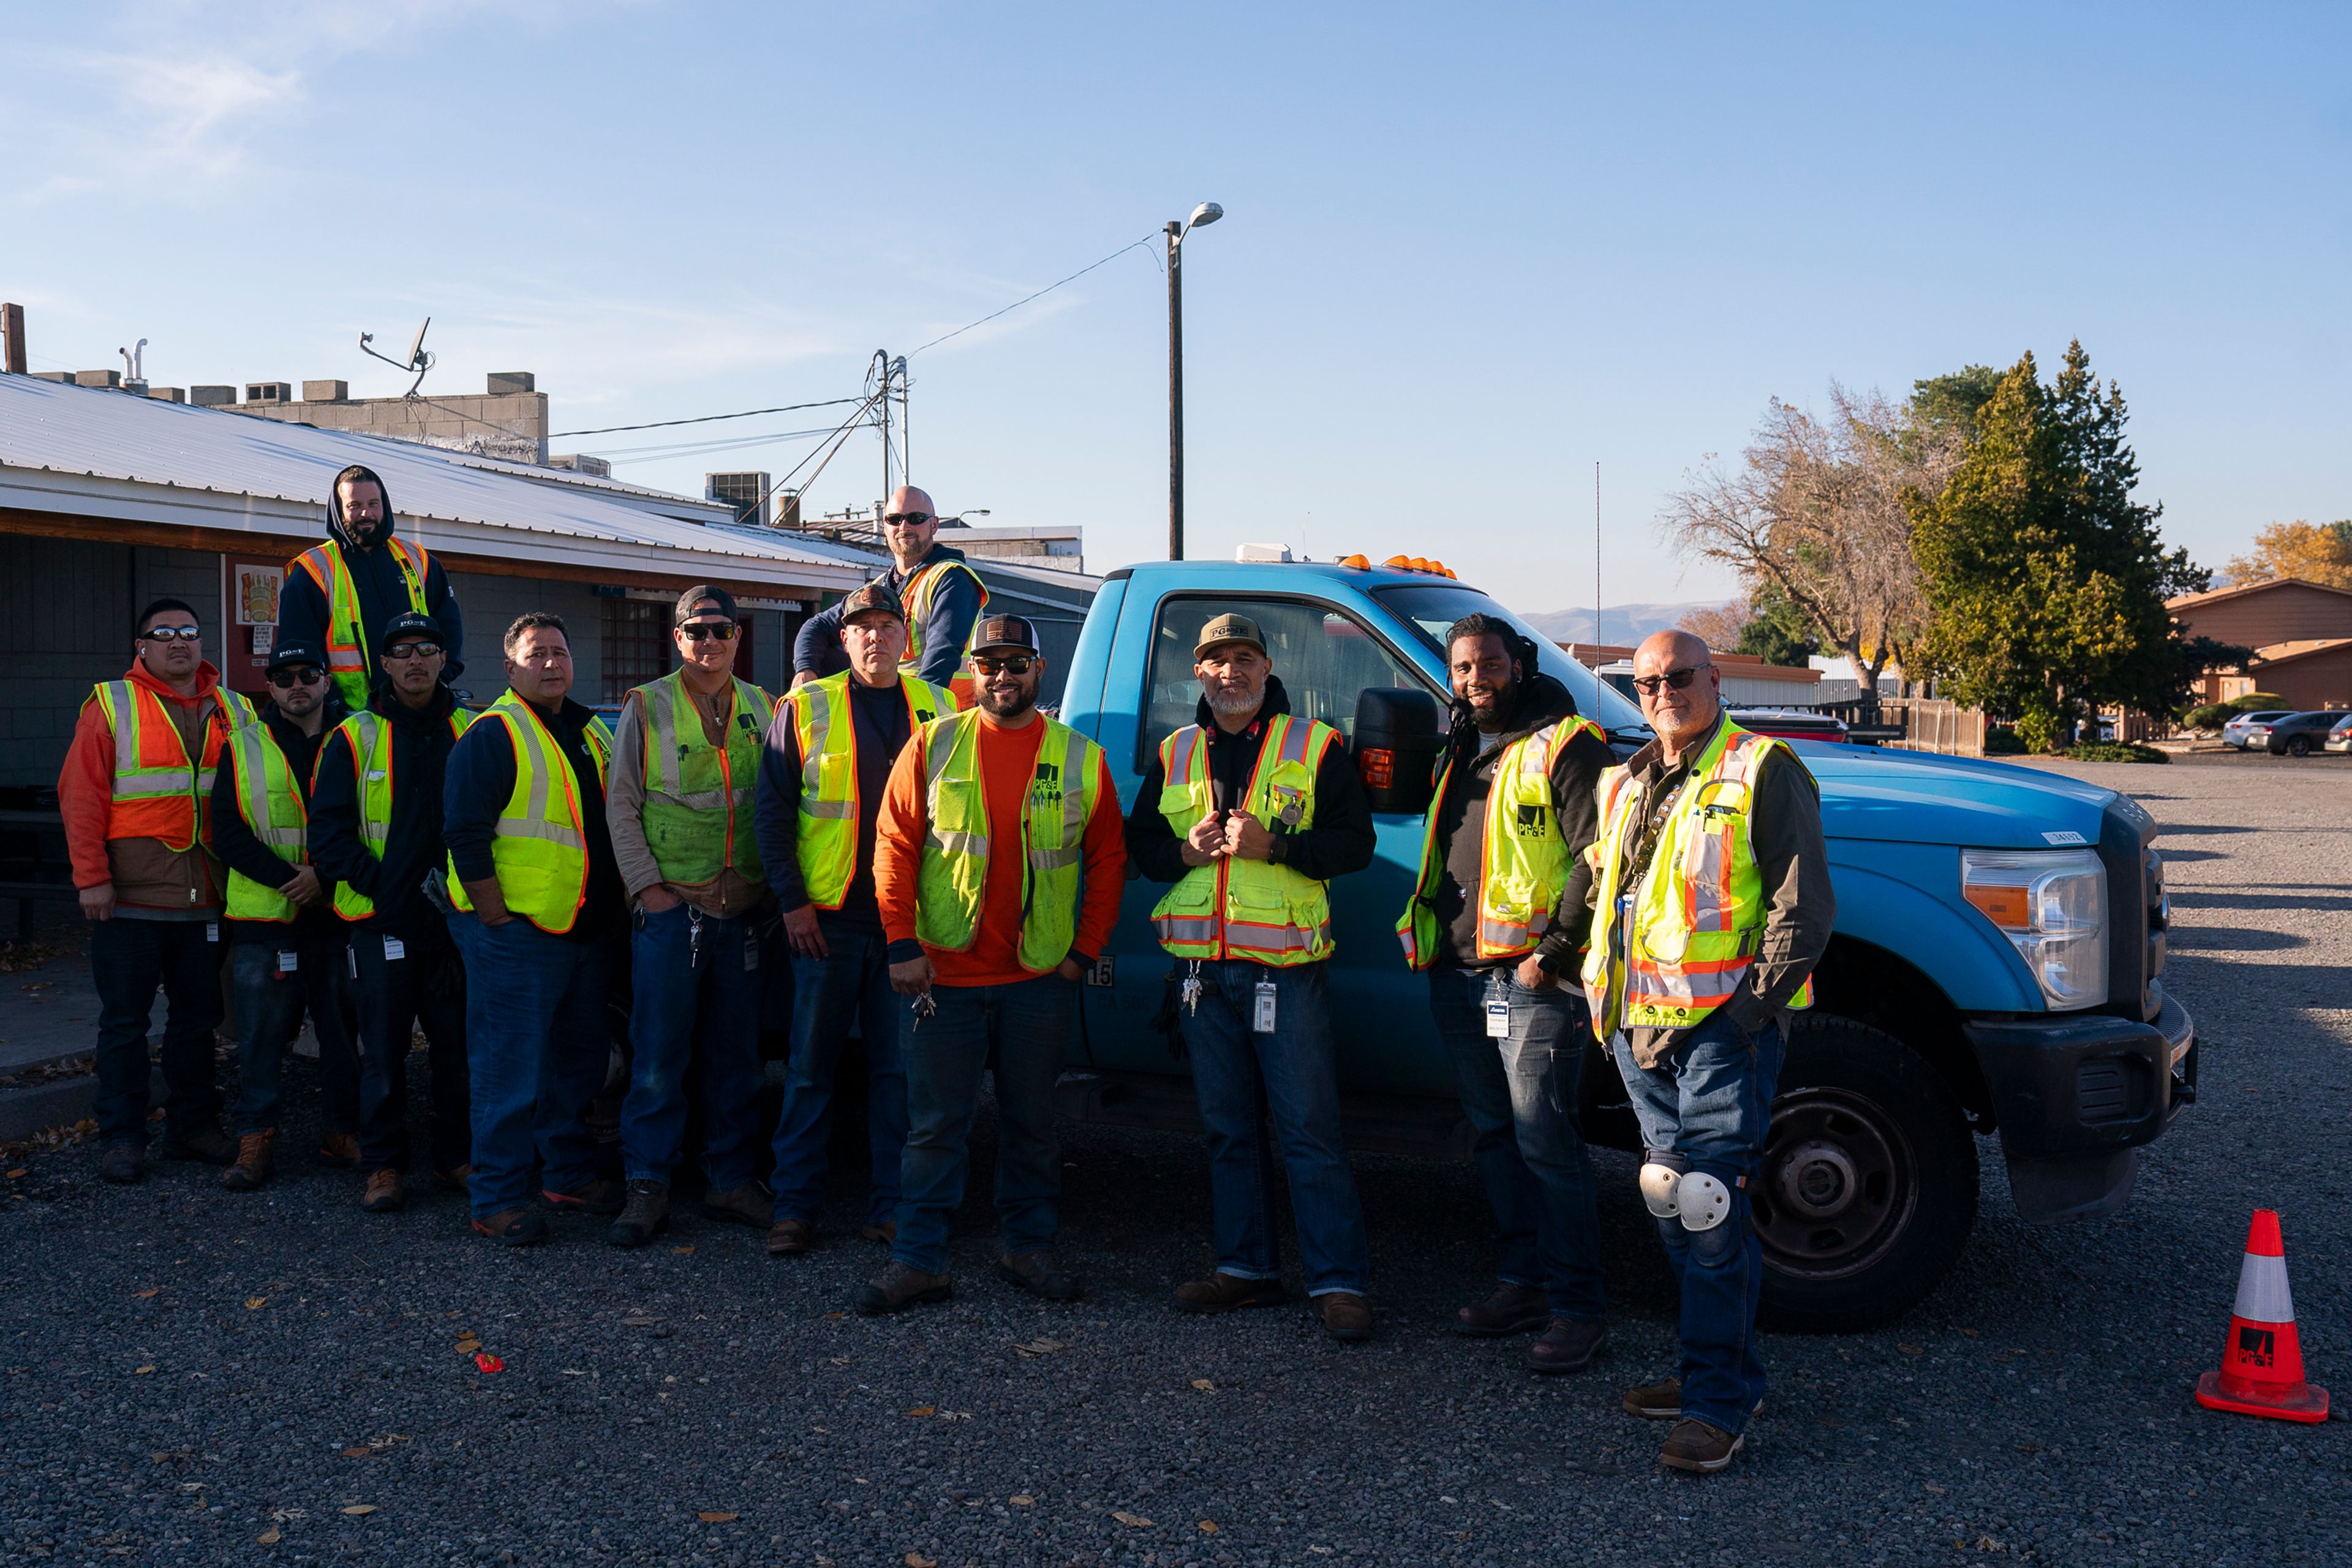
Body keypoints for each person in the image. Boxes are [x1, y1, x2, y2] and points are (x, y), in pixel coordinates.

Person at [1583, 630, 1833, 1474]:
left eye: (1679, 676)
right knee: (1669, 1198)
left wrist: (1747, 1015)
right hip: (1638, 1029)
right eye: (1647, 681)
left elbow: (1805, 909)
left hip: (1723, 1033)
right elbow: (1610, 894)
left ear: (1713, 680)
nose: (1662, 691)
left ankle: (1717, 1406)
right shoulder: (1625, 782)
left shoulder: (1763, 769)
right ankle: (1712, 1371)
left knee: (1708, 1205)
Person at [854, 615, 1123, 1315]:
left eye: (1016, 663)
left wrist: (1081, 956)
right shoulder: (935, 744)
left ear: (1040, 669)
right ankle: (920, 1260)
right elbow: (895, 845)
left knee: (1032, 1123)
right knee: (934, 1127)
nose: (1002, 675)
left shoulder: (1080, 757)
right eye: (989, 664)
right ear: (973, 672)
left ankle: (1027, 1248)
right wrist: (901, 943)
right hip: (942, 978)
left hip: (1037, 979)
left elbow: (1107, 860)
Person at [1124, 614, 1379, 1341]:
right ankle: (1246, 1271)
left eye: (1244, 658)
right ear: (1197, 673)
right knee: (1227, 1129)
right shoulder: (1174, 751)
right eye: (1215, 661)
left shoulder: (1316, 745)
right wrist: (1185, 850)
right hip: (1202, 972)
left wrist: (1280, 845)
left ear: (1268, 668)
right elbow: (1142, 845)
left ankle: (1339, 1282)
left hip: (1284, 976)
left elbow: (1355, 844)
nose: (1229, 672)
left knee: (1309, 1130)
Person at [1396, 614, 1618, 1371]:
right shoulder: (1460, 739)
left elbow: (1600, 856)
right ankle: (1522, 1282)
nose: (1474, 678)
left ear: (1516, 665)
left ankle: (1579, 1307)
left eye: (1487, 663)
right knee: (1495, 1135)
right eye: (1461, 668)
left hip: (1531, 979)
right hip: (1458, 972)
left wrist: (1554, 953)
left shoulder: (1568, 743)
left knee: (1547, 1141)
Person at [756, 582, 956, 1258]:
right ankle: (795, 1208)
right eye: (861, 627)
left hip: (907, 926)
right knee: (810, 1069)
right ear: (843, 641)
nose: (875, 637)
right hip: (828, 925)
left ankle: (892, 1208)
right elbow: (773, 813)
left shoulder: (939, 707)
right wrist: (792, 902)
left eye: (887, 626)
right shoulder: (805, 707)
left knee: (900, 1074)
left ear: (908, 639)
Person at [58, 598, 257, 1184]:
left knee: (197, 1023)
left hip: (209, 898)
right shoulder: (111, 706)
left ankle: (193, 1128)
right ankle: (122, 1138)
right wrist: (91, 878)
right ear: (140, 647)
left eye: (190, 633)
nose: (179, 642)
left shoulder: (236, 708)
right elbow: (81, 797)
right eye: (164, 633)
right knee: (125, 1024)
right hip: (129, 899)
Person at [443, 612, 626, 1245]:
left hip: (582, 932)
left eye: (560, 651)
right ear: (511, 667)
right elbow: (464, 833)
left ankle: (567, 1175)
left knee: (575, 1069)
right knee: (507, 1072)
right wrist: (492, 911)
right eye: (536, 654)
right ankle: (494, 1197)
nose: (551, 663)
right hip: (517, 935)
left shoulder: (588, 732)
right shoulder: (493, 735)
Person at [603, 586, 777, 1247]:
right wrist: (648, 889)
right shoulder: (646, 706)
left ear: (739, 636)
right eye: (696, 631)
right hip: (674, 913)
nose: (710, 642)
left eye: (722, 630)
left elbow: (777, 802)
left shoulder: (765, 706)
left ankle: (730, 1180)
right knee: (658, 1056)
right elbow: (621, 805)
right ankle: (648, 1183)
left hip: (743, 913)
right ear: (677, 639)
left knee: (737, 1057)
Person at [309, 611, 475, 1214]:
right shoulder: (354, 737)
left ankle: (457, 1157)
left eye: (426, 649)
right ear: (385, 664)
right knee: (382, 1054)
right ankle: (383, 1166)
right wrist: (384, 887)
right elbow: (327, 835)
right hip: (382, 925)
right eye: (402, 650)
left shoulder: (474, 730)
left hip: (454, 925)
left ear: (442, 659)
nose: (415, 660)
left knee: (458, 1050)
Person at [207, 639, 360, 1190]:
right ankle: (256, 1141)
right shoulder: (242, 744)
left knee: (344, 1033)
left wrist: (328, 878)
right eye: (284, 676)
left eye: (308, 674)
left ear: (325, 681)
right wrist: (292, 882)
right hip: (267, 920)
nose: (297, 684)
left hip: (339, 914)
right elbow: (226, 830)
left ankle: (342, 1132)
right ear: (269, 687)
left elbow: (370, 822)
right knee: (261, 1038)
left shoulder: (356, 739)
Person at [279, 464, 465, 710]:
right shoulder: (314, 570)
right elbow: (298, 652)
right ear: (338, 510)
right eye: (354, 506)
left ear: (384, 506)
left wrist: (439, 680)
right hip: (349, 717)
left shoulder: (419, 560)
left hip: (423, 710)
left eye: (373, 504)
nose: (366, 513)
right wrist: (332, 705)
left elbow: (449, 628)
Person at [791, 484, 987, 692]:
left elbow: (942, 656)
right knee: (828, 657)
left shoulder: (952, 578)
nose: (904, 527)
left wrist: (913, 713)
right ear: (884, 526)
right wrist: (805, 669)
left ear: (934, 525)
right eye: (895, 519)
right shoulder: (879, 588)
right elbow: (817, 627)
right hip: (890, 705)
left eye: (916, 518)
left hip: (943, 715)